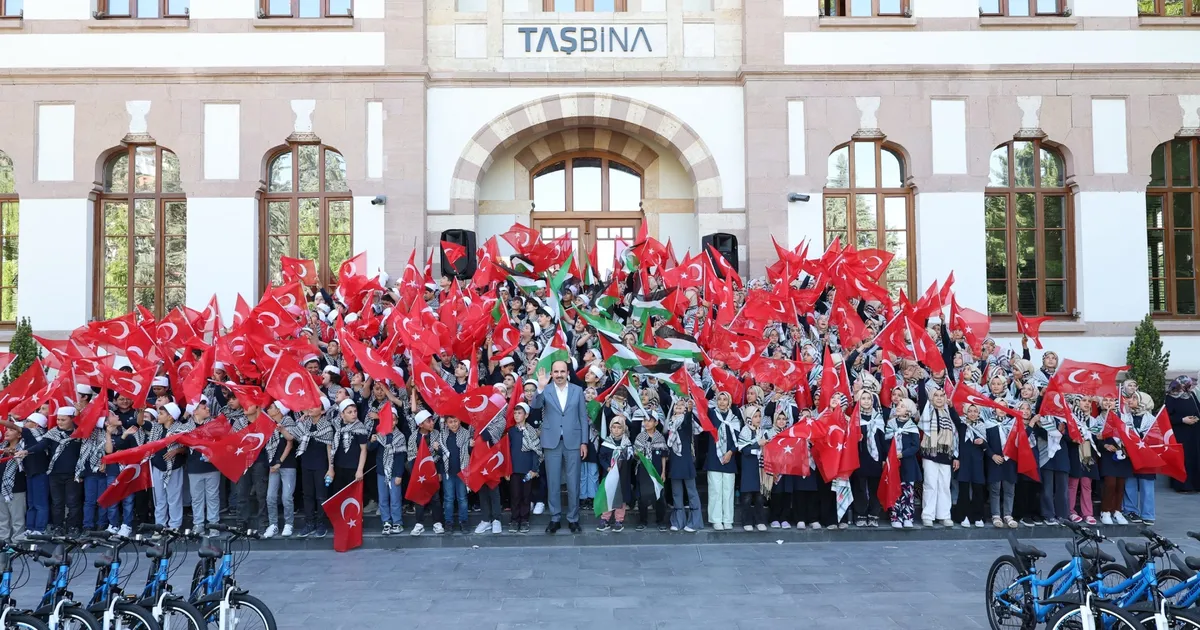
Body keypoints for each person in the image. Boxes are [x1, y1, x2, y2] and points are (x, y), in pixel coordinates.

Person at [530, 361, 590, 534]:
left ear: (567, 372)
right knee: (553, 482)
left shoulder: (577, 390)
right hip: (551, 441)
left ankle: (573, 519)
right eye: (555, 371)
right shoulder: (546, 389)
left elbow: (582, 417)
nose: (559, 374)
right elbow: (535, 406)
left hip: (573, 441)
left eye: (562, 371)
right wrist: (540, 388)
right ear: (552, 373)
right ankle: (555, 518)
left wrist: (584, 442)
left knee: (573, 483)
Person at [665, 397, 703, 532]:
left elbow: (687, 422)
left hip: (685, 460)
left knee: (691, 492)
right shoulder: (669, 424)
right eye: (676, 406)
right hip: (674, 461)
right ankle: (678, 521)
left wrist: (689, 411)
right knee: (676, 493)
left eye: (682, 406)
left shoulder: (688, 421)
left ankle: (694, 522)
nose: (679, 407)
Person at [369, 403, 406, 536]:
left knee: (395, 498)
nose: (391, 422)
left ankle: (397, 522)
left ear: (396, 421)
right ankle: (386, 522)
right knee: (383, 498)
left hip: (394, 472)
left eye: (393, 419)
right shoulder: (380, 434)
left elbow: (401, 458)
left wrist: (399, 475)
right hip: (381, 472)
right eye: (388, 419)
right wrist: (372, 440)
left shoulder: (400, 437)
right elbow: (370, 449)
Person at [262, 401, 297, 538]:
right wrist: (272, 463)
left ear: (279, 410)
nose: (268, 409)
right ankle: (273, 524)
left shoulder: (288, 421)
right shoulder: (269, 424)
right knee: (270, 496)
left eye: (271, 407)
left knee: (286, 496)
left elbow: (290, 441)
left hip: (287, 465)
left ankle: (289, 523)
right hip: (273, 465)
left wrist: (279, 462)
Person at [507, 403, 542, 533]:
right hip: (514, 469)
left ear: (526, 415)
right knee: (515, 495)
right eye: (515, 413)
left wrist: (534, 469)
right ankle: (515, 520)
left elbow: (536, 451)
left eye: (520, 413)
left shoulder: (531, 431)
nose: (517, 415)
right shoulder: (511, 431)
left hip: (527, 469)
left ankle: (525, 519)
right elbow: (507, 452)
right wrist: (507, 469)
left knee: (526, 495)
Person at [1164, 375, 1200, 493]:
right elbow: (1167, 417)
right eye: (1187, 383)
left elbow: (1197, 410)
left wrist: (1196, 418)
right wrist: (1182, 420)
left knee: (1195, 456)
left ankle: (1196, 484)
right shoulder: (1170, 397)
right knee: (1183, 458)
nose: (1190, 385)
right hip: (1180, 432)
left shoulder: (1192, 395)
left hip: (1194, 431)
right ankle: (1183, 485)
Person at [633, 412, 668, 531]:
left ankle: (661, 521)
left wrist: (663, 472)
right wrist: (637, 454)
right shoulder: (640, 437)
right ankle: (642, 521)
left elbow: (664, 455)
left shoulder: (660, 437)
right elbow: (635, 454)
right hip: (644, 469)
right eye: (645, 420)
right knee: (642, 497)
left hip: (657, 469)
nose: (647, 423)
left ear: (656, 423)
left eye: (650, 420)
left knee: (659, 496)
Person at [596, 417, 632, 532]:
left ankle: (619, 520)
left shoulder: (627, 444)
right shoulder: (606, 443)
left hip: (622, 476)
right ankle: (605, 519)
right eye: (614, 427)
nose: (616, 430)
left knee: (620, 497)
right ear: (610, 428)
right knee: (608, 495)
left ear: (623, 429)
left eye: (619, 427)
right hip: (609, 474)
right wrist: (608, 467)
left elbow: (630, 458)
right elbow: (601, 457)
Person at [737, 405, 768, 532]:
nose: (758, 419)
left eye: (759, 416)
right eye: (755, 416)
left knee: (760, 497)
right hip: (749, 468)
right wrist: (757, 444)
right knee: (747, 497)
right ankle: (747, 521)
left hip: (759, 468)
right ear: (749, 418)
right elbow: (744, 450)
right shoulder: (745, 430)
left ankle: (760, 521)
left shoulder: (762, 431)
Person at [0, 425, 26, 541]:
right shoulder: (1, 448)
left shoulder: (24, 449)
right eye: (7, 429)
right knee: (2, 518)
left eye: (11, 430)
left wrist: (16, 454)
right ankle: (3, 541)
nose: (7, 432)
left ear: (19, 434)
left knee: (17, 518)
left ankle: (17, 542)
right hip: (1, 488)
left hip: (16, 488)